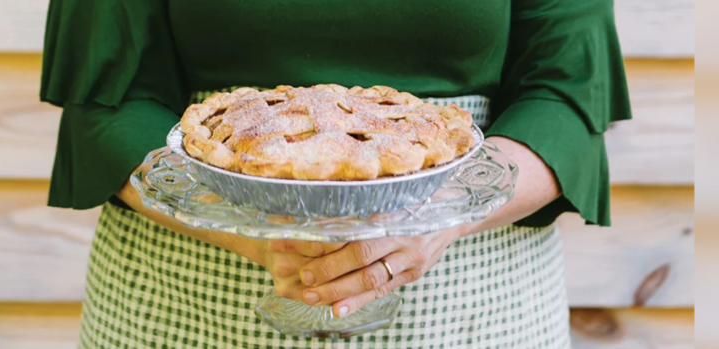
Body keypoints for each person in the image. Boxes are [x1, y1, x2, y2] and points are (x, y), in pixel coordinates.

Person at [40, 0, 631, 348]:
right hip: (188, 306)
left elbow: (566, 94)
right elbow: (106, 97)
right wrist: (246, 229)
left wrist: (436, 217)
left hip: (470, 305)